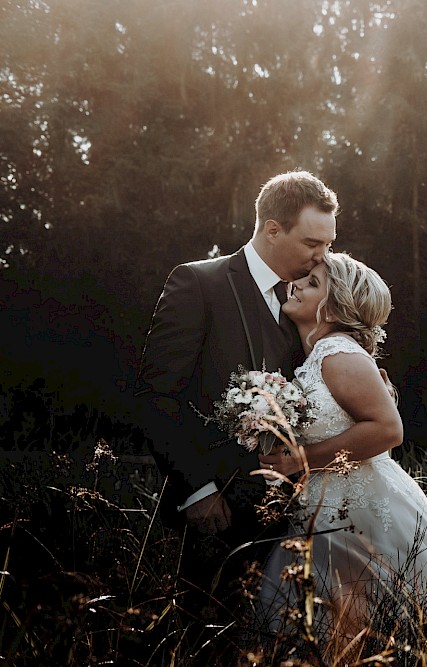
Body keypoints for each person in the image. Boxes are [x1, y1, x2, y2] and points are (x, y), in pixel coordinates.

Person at [255, 252, 427, 652]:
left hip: (363, 505)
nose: (296, 285)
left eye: (312, 283)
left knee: (413, 613)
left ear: (337, 306)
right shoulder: (321, 355)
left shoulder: (337, 354)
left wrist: (299, 461)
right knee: (346, 623)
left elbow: (387, 429)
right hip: (330, 503)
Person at [134, 171, 339, 619]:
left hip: (300, 515)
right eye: (311, 243)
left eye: (327, 243)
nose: (322, 256)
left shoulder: (314, 298)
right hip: (218, 512)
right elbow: (158, 398)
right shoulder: (199, 285)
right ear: (272, 229)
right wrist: (197, 491)